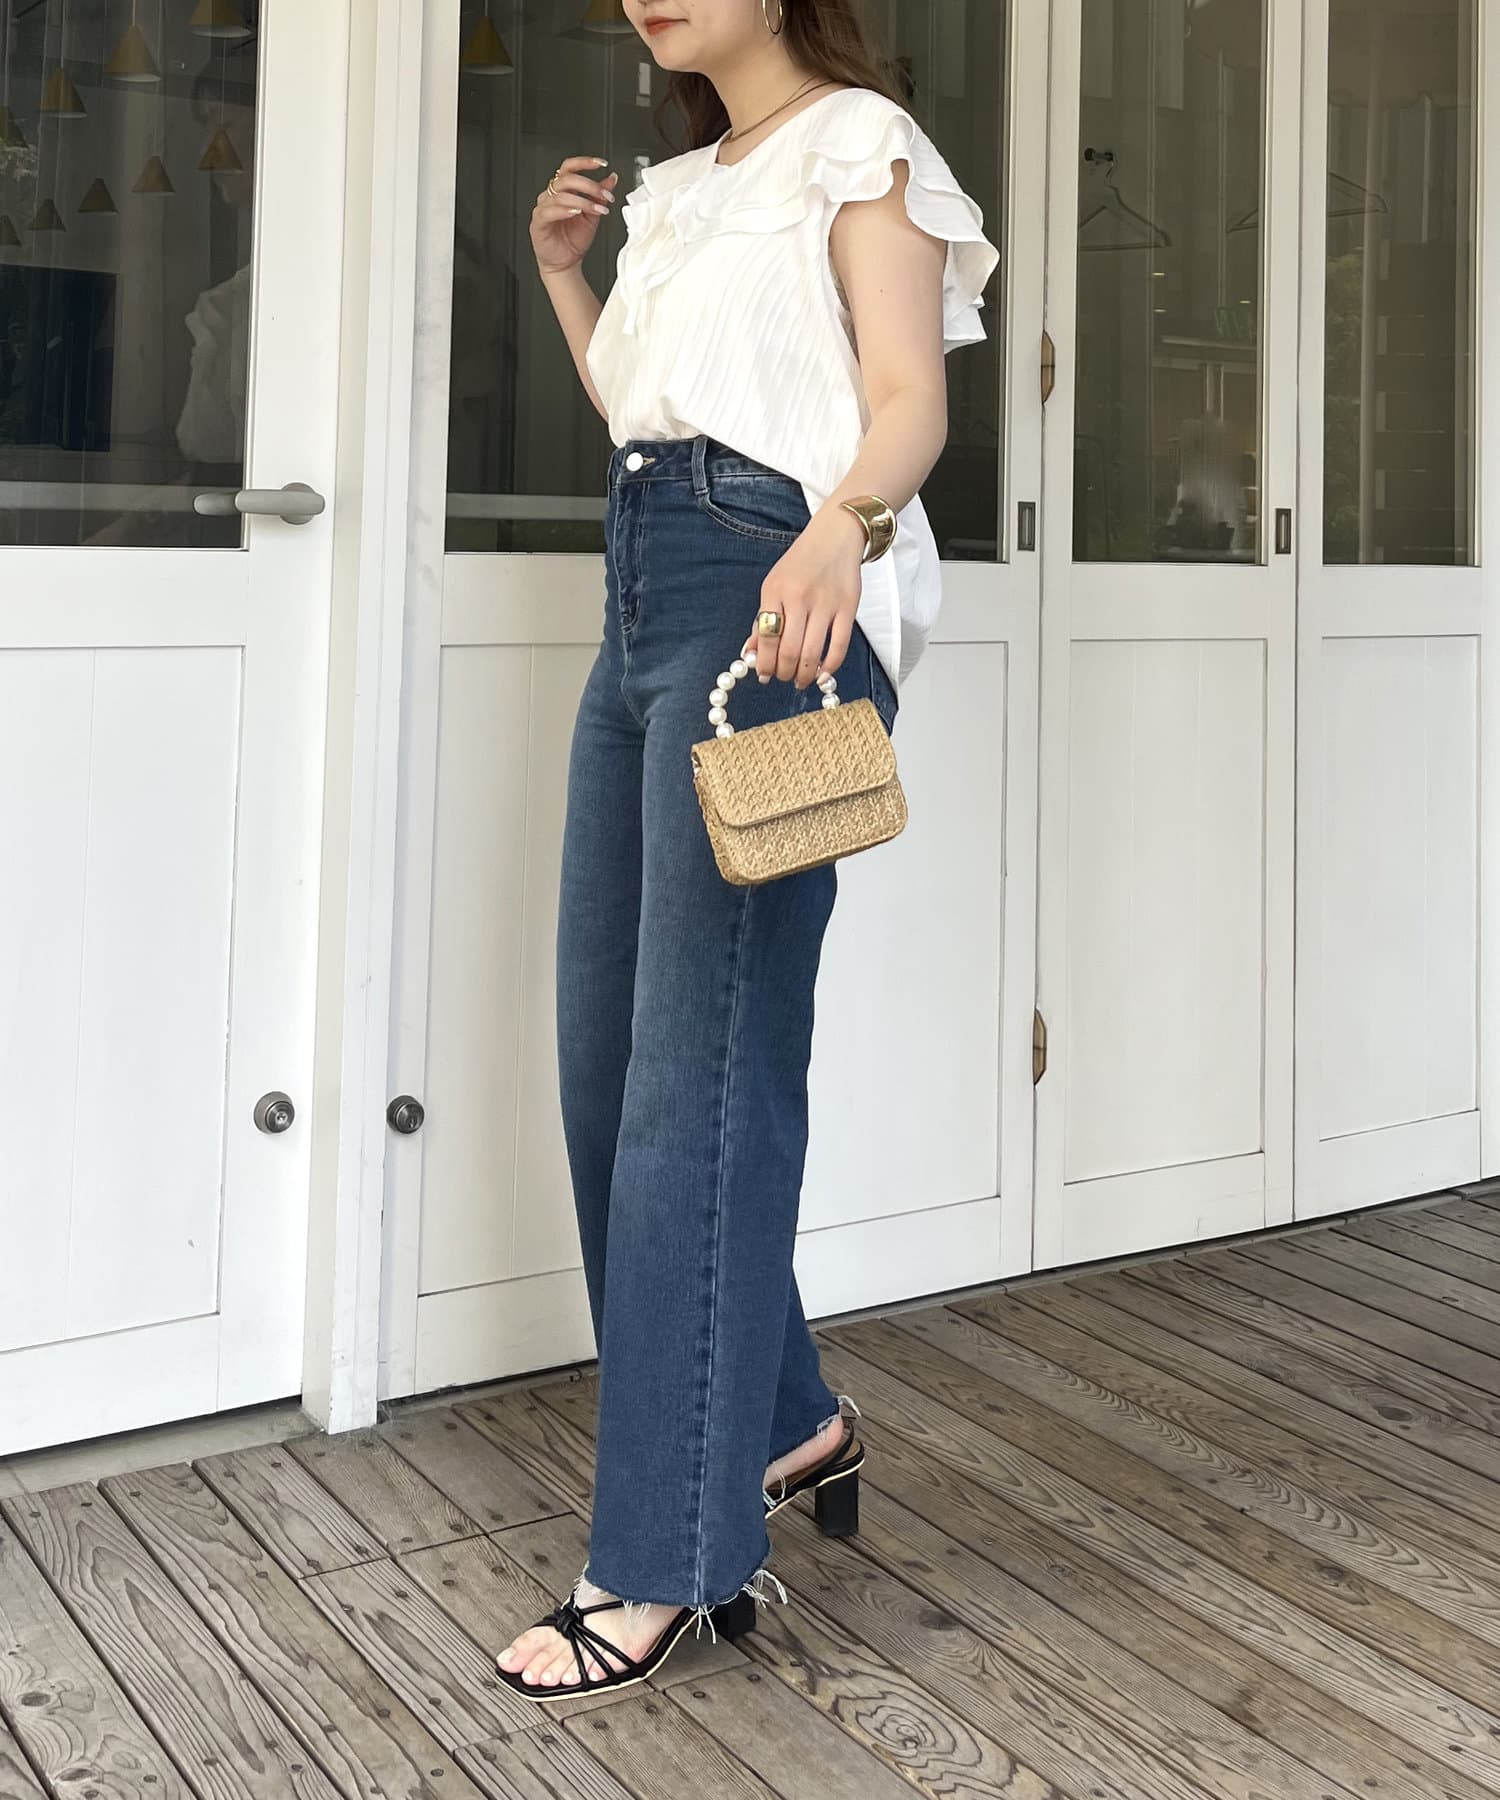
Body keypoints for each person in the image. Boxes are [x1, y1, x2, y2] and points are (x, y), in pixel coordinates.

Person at [494, 0, 999, 1700]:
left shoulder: (860, 143)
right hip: (645, 582)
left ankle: (663, 1558)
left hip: (774, 594)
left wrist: (841, 529)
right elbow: (649, 412)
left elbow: (908, 401)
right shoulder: (684, 185)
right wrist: (566, 277)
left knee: (698, 1086)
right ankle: (786, 1420)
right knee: (605, 1070)